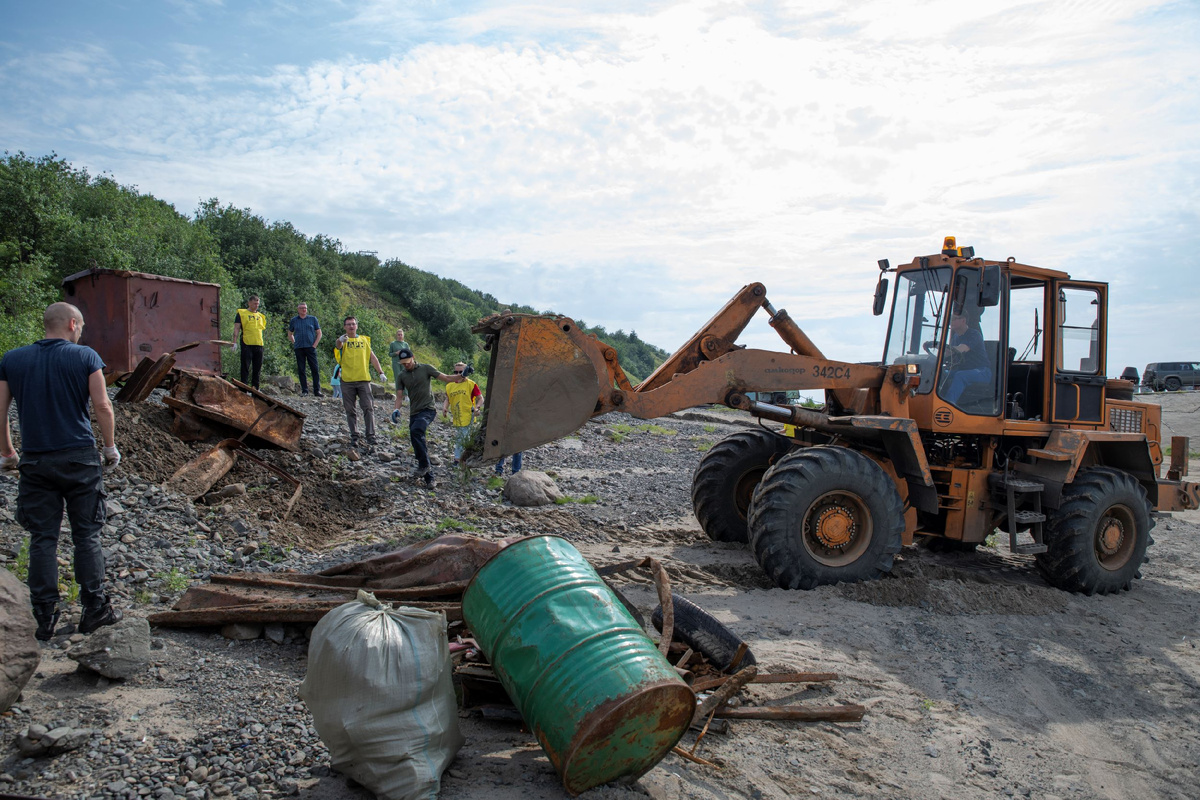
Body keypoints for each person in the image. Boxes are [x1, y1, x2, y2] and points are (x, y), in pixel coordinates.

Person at [0, 302, 123, 640]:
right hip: (79, 458)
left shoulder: (12, 360)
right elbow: (101, 405)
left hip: (36, 460)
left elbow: (0, 409)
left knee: (42, 537)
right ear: (72, 324)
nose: (81, 332)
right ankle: (95, 609)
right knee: (86, 534)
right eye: (80, 326)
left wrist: (8, 452)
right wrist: (109, 447)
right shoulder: (85, 357)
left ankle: (42, 616)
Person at [394, 348, 466, 487]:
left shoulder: (426, 368)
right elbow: (399, 396)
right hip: (414, 412)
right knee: (418, 442)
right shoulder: (402, 376)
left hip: (428, 409)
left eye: (407, 362)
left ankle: (425, 466)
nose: (406, 365)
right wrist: (396, 409)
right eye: (403, 363)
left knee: (416, 431)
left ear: (413, 358)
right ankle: (429, 479)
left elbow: (446, 378)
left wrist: (462, 375)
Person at [334, 316, 386, 451]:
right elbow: (337, 346)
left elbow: (372, 357)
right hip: (347, 381)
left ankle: (371, 436)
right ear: (345, 326)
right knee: (350, 410)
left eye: (353, 324)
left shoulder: (364, 340)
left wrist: (380, 372)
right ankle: (354, 436)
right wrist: (340, 340)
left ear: (357, 325)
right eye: (348, 324)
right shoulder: (343, 340)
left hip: (363, 380)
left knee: (368, 408)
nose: (351, 326)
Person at [941, 310, 992, 405]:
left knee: (960, 375)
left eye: (953, 319)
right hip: (965, 370)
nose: (950, 322)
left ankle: (948, 405)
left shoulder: (974, 335)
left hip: (982, 371)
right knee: (942, 374)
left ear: (963, 320)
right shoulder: (955, 337)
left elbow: (961, 349)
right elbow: (947, 354)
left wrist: (946, 349)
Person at [441, 362, 482, 464]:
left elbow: (480, 398)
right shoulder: (449, 385)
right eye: (456, 372)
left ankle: (458, 459)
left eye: (461, 371)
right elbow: (447, 399)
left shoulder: (471, 384)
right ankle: (467, 458)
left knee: (462, 436)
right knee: (461, 436)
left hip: (468, 415)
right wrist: (445, 408)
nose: (458, 374)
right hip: (457, 416)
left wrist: (477, 407)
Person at [287, 302, 322, 396]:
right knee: (301, 369)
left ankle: (317, 391)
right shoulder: (294, 320)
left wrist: (315, 345)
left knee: (314, 369)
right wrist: (294, 343)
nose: (304, 310)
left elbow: (319, 333)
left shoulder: (313, 319)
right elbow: (290, 333)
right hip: (299, 348)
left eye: (305, 308)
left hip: (310, 347)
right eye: (302, 308)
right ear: (298, 309)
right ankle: (304, 391)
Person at [233, 295, 267, 389]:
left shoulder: (261, 316)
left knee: (257, 368)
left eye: (258, 304)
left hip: (259, 344)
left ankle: (255, 388)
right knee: (245, 367)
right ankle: (243, 387)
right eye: (254, 303)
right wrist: (234, 342)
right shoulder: (241, 313)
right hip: (246, 343)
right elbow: (236, 328)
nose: (256, 305)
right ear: (249, 303)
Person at [388, 328, 411, 424]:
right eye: (398, 334)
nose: (400, 336)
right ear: (396, 335)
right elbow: (390, 354)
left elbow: (409, 353)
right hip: (396, 362)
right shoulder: (393, 344)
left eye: (401, 334)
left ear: (403, 335)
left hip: (404, 362)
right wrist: (396, 353)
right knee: (398, 378)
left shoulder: (406, 344)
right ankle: (399, 395)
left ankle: (406, 395)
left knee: (406, 377)